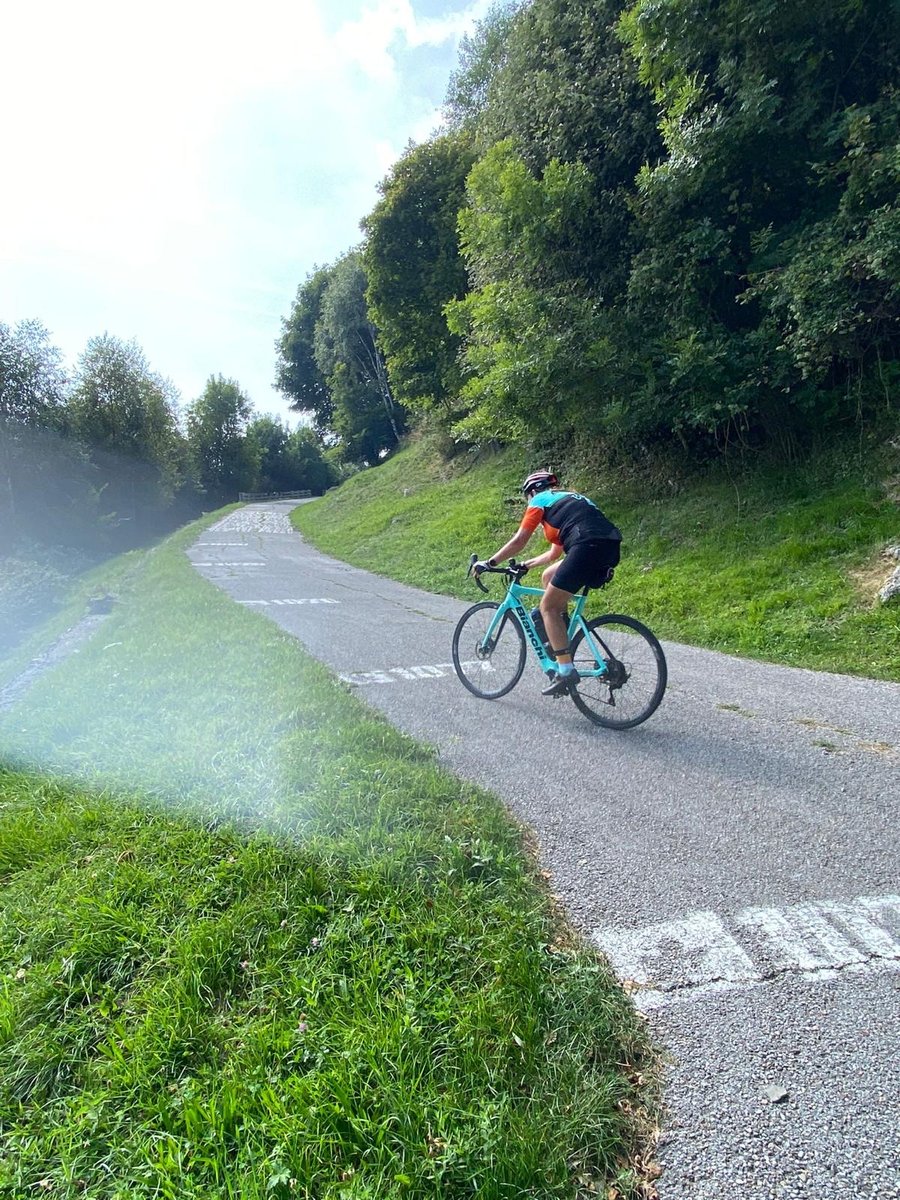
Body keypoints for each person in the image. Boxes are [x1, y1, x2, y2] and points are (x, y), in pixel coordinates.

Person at [476, 470, 621, 696]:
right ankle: (561, 637)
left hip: (586, 546)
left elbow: (519, 540)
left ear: (532, 491)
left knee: (548, 607)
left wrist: (490, 562)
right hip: (609, 547)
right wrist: (526, 564)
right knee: (548, 576)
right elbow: (554, 554)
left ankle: (565, 670)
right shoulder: (569, 499)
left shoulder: (539, 500)